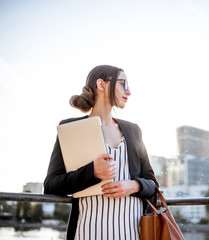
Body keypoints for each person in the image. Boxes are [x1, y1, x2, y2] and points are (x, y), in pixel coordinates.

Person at [44, 65, 158, 240]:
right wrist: (92, 172)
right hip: (88, 233)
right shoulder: (71, 128)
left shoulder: (133, 130)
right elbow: (51, 185)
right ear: (101, 84)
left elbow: (153, 185)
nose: (129, 91)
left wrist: (134, 185)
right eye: (124, 84)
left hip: (132, 234)